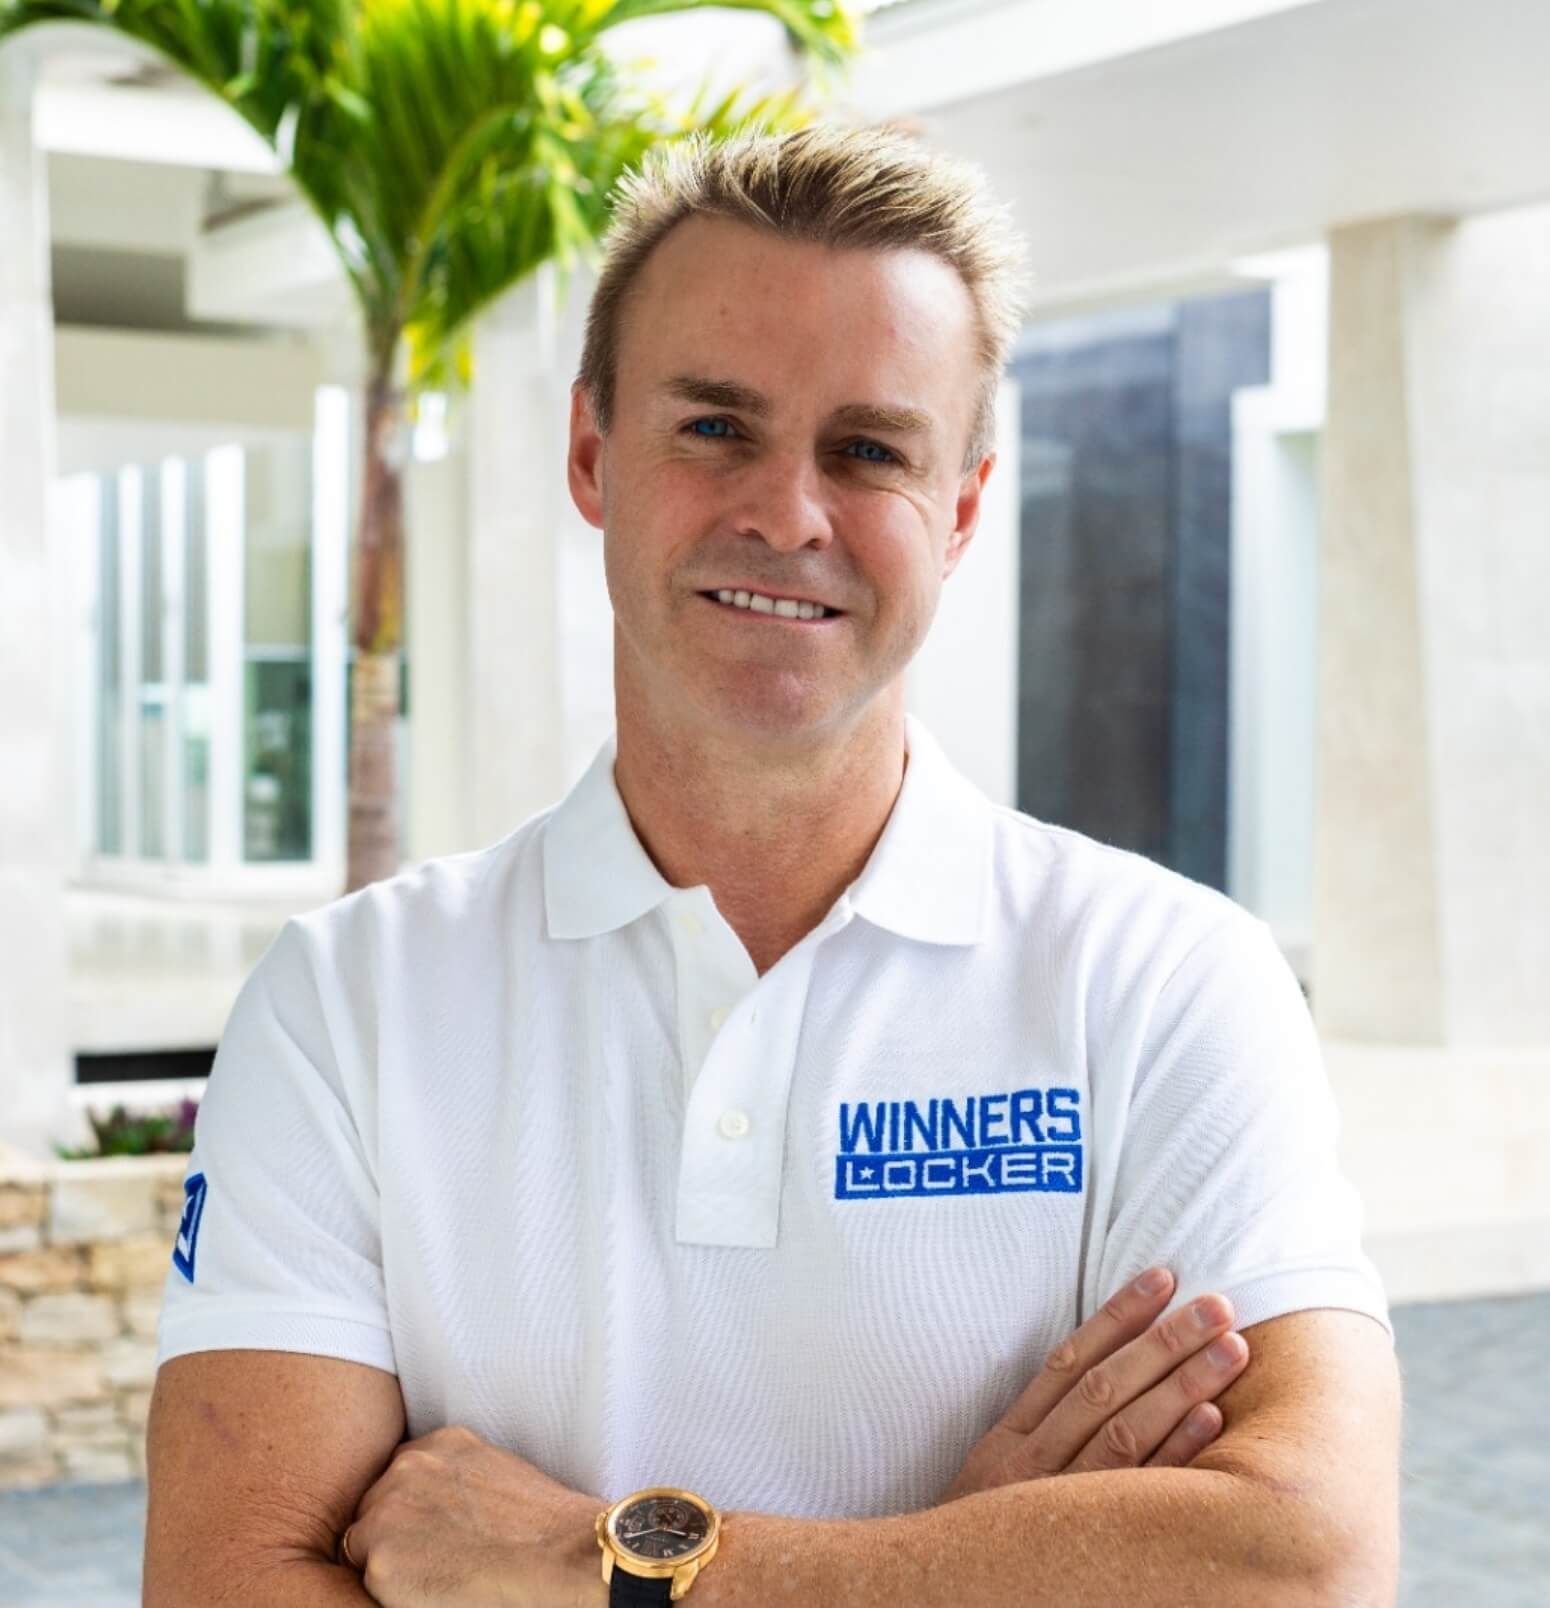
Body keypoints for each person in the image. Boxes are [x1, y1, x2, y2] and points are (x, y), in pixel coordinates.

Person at [144, 122, 1401, 1607]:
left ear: (962, 508)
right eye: (714, 429)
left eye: (869, 452)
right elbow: (228, 1585)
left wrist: (607, 1564)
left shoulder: (1164, 982)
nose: (787, 514)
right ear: (593, 455)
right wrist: (978, 1564)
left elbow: (1309, 1563)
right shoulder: (350, 1002)